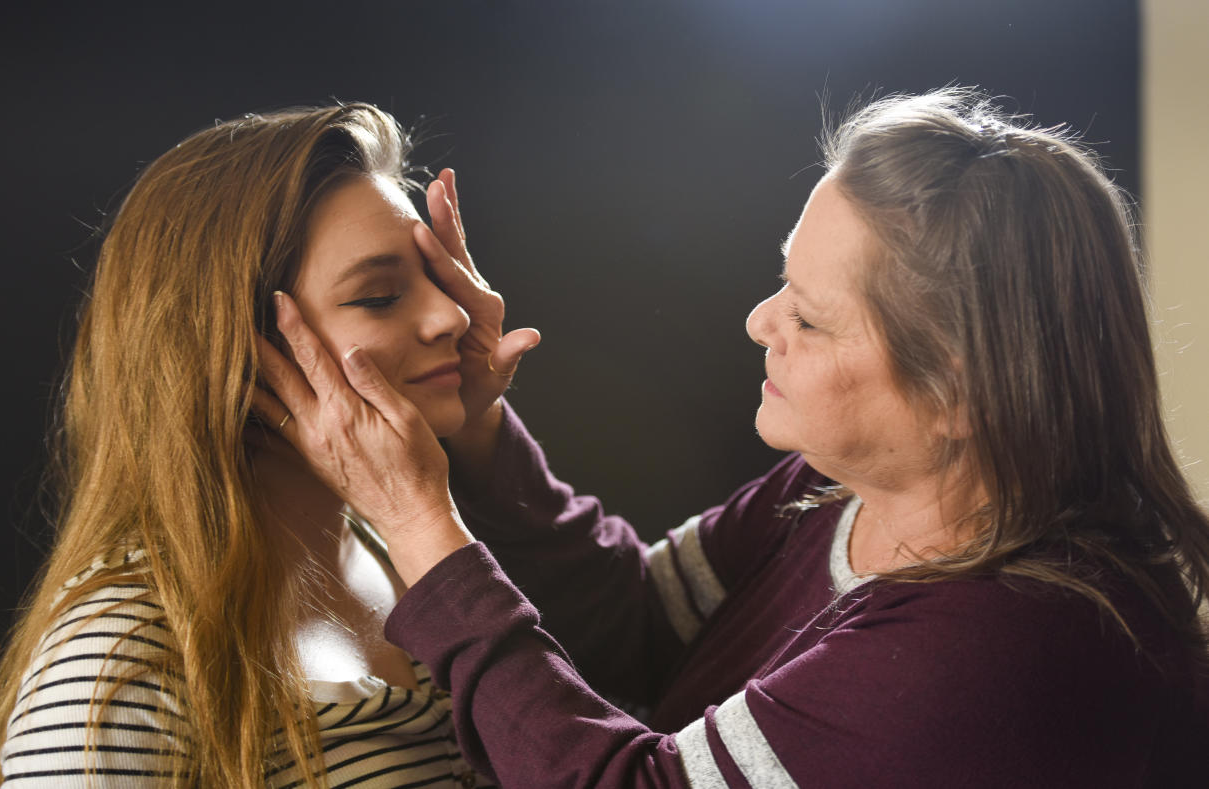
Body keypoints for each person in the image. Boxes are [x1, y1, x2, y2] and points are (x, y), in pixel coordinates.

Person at [257, 87, 1209, 787]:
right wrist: (479, 434)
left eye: (812, 316)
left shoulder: (1000, 641)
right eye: (782, 280)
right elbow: (637, 626)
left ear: (963, 390)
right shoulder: (837, 495)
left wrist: (423, 528)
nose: (761, 321)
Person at [0, 103, 536, 787]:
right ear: (237, 347)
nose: (451, 315)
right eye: (382, 296)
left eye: (438, 280)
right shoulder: (116, 666)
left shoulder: (404, 548)